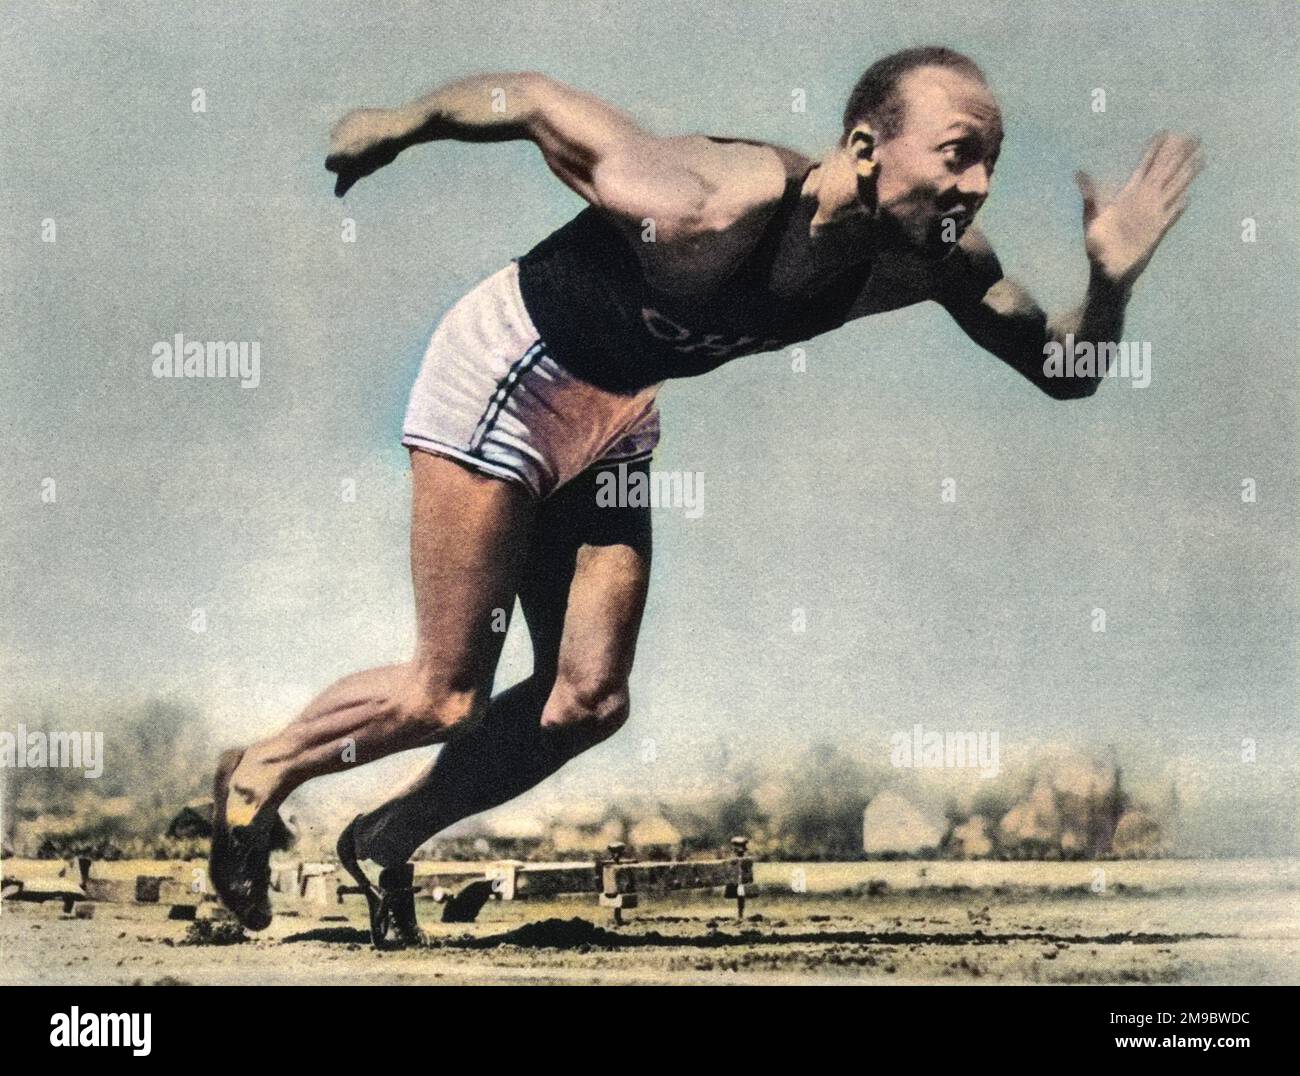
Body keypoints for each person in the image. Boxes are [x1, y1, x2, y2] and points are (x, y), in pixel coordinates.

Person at [209, 46, 1201, 945]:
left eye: (989, 162)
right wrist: (401, 120)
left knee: (586, 700)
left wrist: (1109, 283)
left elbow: (1064, 368)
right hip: (511, 368)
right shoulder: (704, 201)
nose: (975, 187)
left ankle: (384, 840)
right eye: (955, 155)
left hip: (618, 411)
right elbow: (538, 101)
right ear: (864, 145)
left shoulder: (931, 265)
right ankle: (263, 768)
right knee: (445, 691)